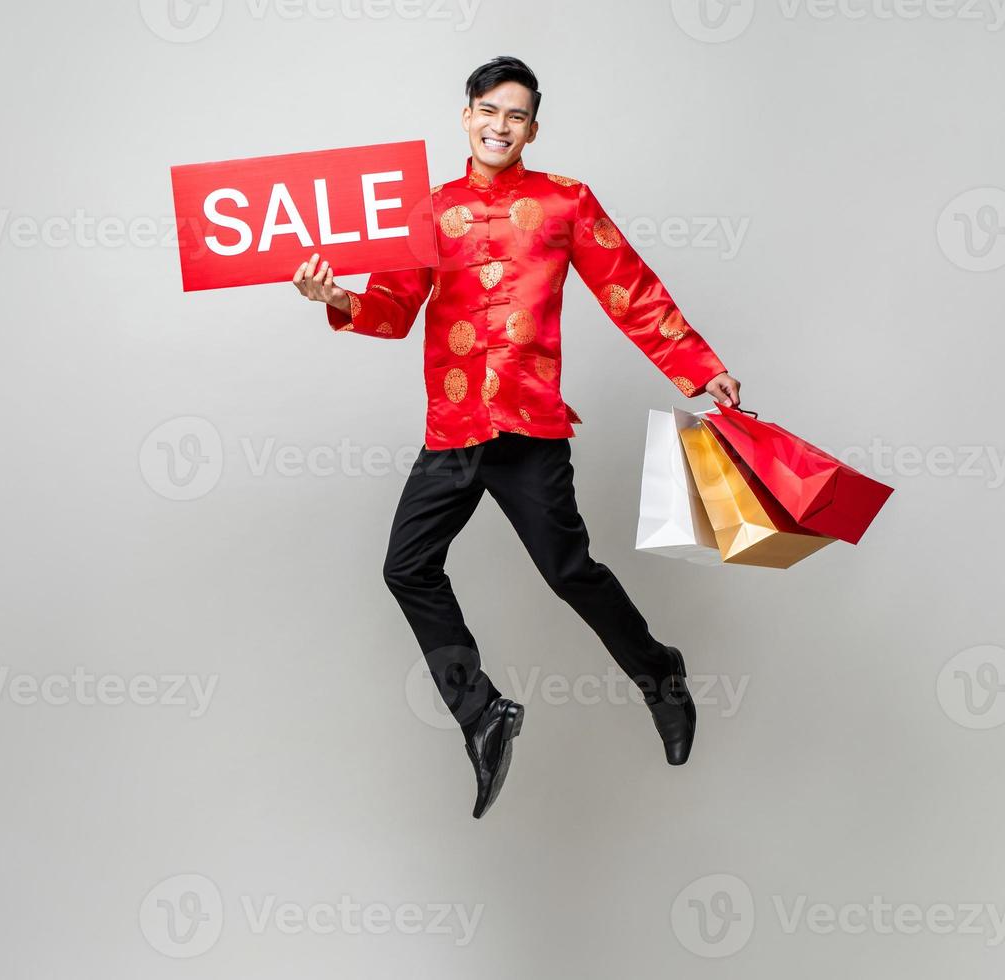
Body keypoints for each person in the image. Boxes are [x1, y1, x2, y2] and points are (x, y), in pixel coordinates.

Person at [293, 56, 742, 819]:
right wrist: (337, 296)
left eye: (517, 115)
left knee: (570, 573)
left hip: (529, 429)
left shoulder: (565, 203)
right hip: (454, 429)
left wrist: (700, 369)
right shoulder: (429, 212)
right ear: (465, 115)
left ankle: (658, 673)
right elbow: (396, 310)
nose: (501, 125)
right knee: (406, 567)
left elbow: (629, 289)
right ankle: (483, 714)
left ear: (533, 127)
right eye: (489, 110)